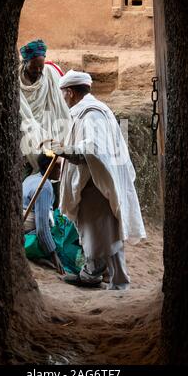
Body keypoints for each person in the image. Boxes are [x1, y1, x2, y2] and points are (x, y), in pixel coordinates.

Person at [47, 69, 146, 289]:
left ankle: (101, 278)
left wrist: (62, 150)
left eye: (63, 93)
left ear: (70, 93)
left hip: (96, 185)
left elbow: (92, 151)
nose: (62, 98)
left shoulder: (92, 114)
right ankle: (110, 279)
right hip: (93, 183)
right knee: (107, 233)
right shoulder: (87, 111)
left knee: (102, 235)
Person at [18, 39, 71, 176]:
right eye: (34, 66)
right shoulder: (15, 80)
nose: (38, 70)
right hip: (24, 132)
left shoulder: (50, 75)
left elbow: (63, 104)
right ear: (25, 63)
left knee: (51, 164)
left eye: (41, 66)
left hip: (49, 126)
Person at [22, 153, 65, 274]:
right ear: (48, 167)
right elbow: (42, 228)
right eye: (58, 166)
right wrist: (54, 256)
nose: (61, 170)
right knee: (65, 227)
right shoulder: (44, 187)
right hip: (29, 234)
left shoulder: (31, 178)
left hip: (23, 226)